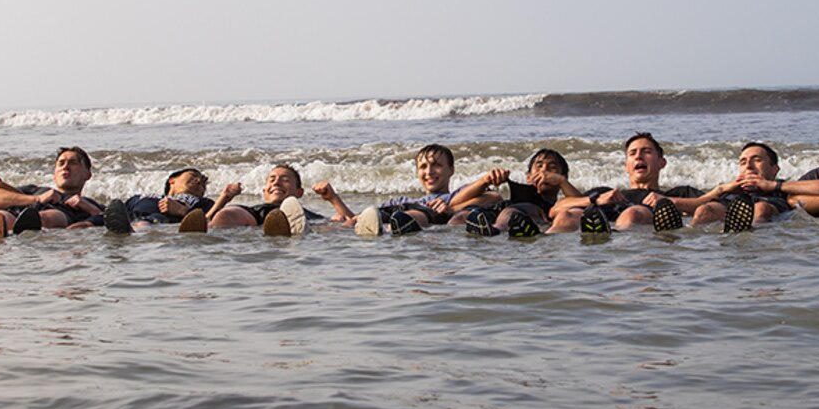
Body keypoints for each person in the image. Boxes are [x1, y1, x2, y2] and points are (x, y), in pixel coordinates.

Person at [547, 133, 703, 233]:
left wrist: (671, 202)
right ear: (626, 166)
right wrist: (595, 199)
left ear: (662, 162)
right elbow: (555, 210)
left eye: (646, 152)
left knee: (632, 213)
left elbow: (714, 206)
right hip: (603, 217)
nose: (638, 157)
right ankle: (546, 247)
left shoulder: (676, 193)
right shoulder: (604, 192)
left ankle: (616, 240)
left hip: (634, 224)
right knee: (567, 214)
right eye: (632, 153)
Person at [318, 144, 471, 236]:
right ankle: (316, 233)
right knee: (349, 218)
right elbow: (365, 220)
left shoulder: (456, 196)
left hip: (412, 221)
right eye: (423, 167)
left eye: (436, 165)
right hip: (392, 219)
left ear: (451, 170)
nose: (429, 172)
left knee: (403, 217)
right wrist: (333, 199)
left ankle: (388, 230)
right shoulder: (402, 201)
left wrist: (451, 209)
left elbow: (489, 197)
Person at [453, 148, 584, 238]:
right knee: (463, 215)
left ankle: (494, 230)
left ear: (564, 176)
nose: (544, 171)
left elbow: (581, 204)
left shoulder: (555, 205)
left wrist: (561, 182)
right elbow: (456, 202)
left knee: (511, 212)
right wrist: (485, 181)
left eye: (552, 168)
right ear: (528, 177)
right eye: (539, 166)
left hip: (517, 216)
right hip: (493, 213)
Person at [0, 145, 103, 234]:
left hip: (56, 218)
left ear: (87, 174)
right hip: (15, 218)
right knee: (0, 216)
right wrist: (36, 199)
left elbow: (113, 219)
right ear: (54, 174)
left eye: (73, 162)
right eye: (61, 163)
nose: (66, 167)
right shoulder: (35, 190)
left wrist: (91, 209)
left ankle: (31, 225)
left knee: (53, 215)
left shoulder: (89, 203)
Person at [690, 142, 791, 231]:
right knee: (704, 210)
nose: (748, 166)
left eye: (756, 160)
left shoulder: (782, 186)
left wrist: (771, 185)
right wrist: (721, 189)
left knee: (761, 208)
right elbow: (696, 203)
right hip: (732, 202)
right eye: (743, 162)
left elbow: (803, 191)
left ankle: (752, 234)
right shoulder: (729, 189)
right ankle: (690, 238)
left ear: (775, 169)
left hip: (769, 201)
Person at [103, 168, 234, 234]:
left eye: (203, 184)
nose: (199, 181)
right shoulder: (141, 197)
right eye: (193, 176)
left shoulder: (202, 202)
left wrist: (182, 211)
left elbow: (207, 220)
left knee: (145, 223)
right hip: (131, 217)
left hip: (160, 222)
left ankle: (133, 231)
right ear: (172, 180)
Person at [206, 164, 325, 235]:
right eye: (272, 180)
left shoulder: (306, 214)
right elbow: (207, 220)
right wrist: (224, 198)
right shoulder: (254, 211)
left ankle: (292, 224)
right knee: (227, 213)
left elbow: (343, 222)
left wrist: (333, 198)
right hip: (257, 216)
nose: (277, 183)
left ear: (300, 192)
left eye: (285, 180)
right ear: (264, 192)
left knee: (290, 204)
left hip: (296, 215)